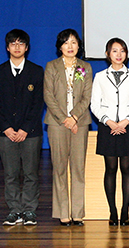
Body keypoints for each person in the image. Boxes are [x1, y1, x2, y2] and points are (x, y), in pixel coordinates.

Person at [0, 29, 44, 226]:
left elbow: (38, 103)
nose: (17, 47)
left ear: (27, 48)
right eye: (13, 44)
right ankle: (14, 210)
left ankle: (29, 210)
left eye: (21, 44)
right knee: (10, 173)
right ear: (7, 47)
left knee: (30, 173)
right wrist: (5, 127)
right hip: (6, 133)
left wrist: (24, 129)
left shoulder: (36, 71)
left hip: (30, 133)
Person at [43, 28, 93, 226]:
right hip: (57, 123)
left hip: (80, 123)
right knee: (60, 168)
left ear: (79, 45)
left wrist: (74, 117)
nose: (70, 46)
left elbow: (86, 96)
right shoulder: (51, 66)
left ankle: (77, 213)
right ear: (60, 46)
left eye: (73, 42)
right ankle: (63, 212)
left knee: (78, 168)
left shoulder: (85, 67)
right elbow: (48, 96)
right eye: (66, 43)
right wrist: (64, 118)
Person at [91, 38, 129, 226]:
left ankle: (125, 211)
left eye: (122, 51)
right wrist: (110, 122)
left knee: (127, 169)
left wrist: (126, 121)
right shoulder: (100, 76)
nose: (119, 55)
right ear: (107, 54)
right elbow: (94, 104)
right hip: (107, 128)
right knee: (110, 169)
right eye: (114, 51)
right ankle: (112, 211)